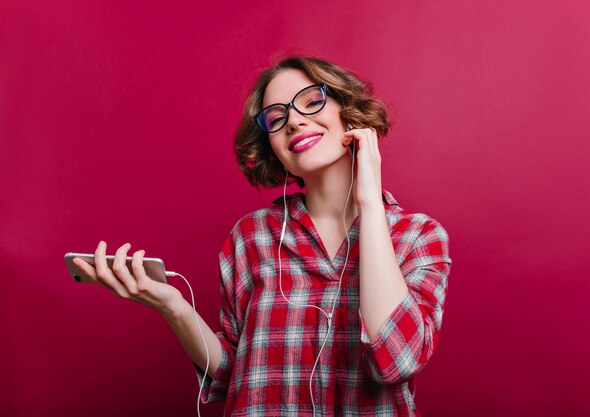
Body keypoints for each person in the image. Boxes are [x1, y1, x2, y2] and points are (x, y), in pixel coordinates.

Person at [73, 56, 452, 416]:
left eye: (310, 101)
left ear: (348, 112)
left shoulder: (418, 236)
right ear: (273, 148)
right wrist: (173, 307)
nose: (294, 122)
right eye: (277, 117)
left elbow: (395, 361)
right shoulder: (250, 237)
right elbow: (230, 379)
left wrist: (370, 202)